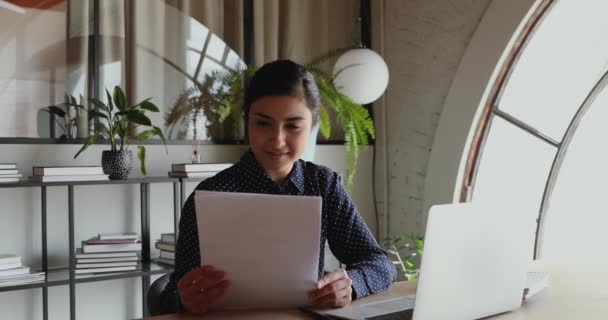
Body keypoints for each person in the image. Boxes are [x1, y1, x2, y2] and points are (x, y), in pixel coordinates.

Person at [159, 60, 396, 315]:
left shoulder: (323, 185)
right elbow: (171, 296)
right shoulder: (209, 195)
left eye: (293, 126)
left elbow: (380, 263)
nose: (277, 139)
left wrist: (351, 284)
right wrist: (185, 298)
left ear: (312, 126)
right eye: (263, 123)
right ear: (247, 120)